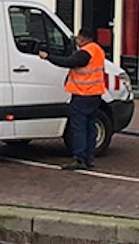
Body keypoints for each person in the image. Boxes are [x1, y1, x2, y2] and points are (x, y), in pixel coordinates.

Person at [40, 28, 105, 170]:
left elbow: (67, 62)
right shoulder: (98, 50)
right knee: (90, 127)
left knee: (79, 128)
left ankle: (79, 159)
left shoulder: (85, 53)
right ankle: (89, 158)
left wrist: (48, 57)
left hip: (82, 94)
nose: (76, 41)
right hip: (95, 94)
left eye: (78, 38)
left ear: (83, 38)